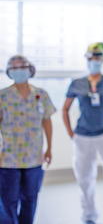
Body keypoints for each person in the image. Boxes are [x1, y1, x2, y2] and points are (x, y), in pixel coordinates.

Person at [62, 42, 103, 224]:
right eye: (91, 57)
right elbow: (65, 109)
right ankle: (89, 215)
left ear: (102, 60)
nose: (94, 61)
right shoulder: (77, 83)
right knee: (85, 178)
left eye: (98, 58)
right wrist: (71, 133)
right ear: (86, 59)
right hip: (83, 136)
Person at [0, 55, 56, 224]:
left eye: (22, 67)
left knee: (30, 199)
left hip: (34, 157)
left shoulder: (41, 95)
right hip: (8, 159)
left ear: (30, 69)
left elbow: (47, 122)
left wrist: (49, 148)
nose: (19, 70)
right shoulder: (3, 96)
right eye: (14, 68)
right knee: (7, 201)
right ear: (9, 71)